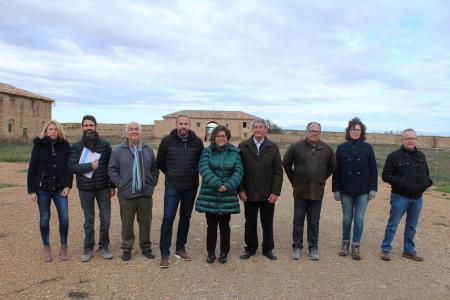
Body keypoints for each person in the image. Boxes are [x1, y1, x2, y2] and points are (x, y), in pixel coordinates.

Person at [283, 122, 336, 261]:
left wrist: (321, 179)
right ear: (307, 131)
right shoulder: (296, 147)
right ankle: (297, 246)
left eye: (317, 131)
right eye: (312, 130)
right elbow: (286, 164)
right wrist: (294, 181)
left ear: (320, 132)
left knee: (314, 221)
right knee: (298, 220)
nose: (314, 133)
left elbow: (332, 167)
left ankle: (313, 247)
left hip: (317, 191)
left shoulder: (327, 149)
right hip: (300, 190)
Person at [157, 114, 204, 268]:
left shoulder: (197, 142)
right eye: (180, 124)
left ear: (189, 126)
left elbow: (201, 162)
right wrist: (171, 173)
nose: (183, 126)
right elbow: (160, 162)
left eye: (185, 124)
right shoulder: (166, 141)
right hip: (172, 186)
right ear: (176, 125)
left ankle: (180, 248)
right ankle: (165, 253)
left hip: (190, 186)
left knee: (185, 218)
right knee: (168, 218)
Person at [108, 122, 159, 261]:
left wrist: (152, 183)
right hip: (126, 194)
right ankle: (127, 248)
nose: (134, 131)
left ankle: (146, 247)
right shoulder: (118, 150)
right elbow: (111, 169)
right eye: (131, 129)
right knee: (127, 223)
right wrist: (120, 184)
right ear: (127, 132)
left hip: (145, 193)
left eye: (136, 129)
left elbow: (155, 168)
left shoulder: (148, 149)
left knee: (145, 222)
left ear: (140, 132)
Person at [67, 115, 115, 262]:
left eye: (91, 125)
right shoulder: (76, 146)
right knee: (89, 219)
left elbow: (111, 167)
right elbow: (71, 167)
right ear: (82, 127)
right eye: (86, 125)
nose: (88, 128)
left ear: (96, 126)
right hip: (85, 189)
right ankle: (88, 248)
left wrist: (112, 185)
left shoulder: (105, 145)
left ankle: (104, 246)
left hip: (102, 188)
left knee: (105, 218)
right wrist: (89, 166)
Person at [380, 128, 433, 261]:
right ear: (402, 140)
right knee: (393, 224)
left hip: (417, 198)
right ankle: (385, 249)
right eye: (407, 138)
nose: (410, 141)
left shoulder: (421, 156)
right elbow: (385, 175)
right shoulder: (393, 156)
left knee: (412, 225)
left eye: (413, 138)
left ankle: (408, 250)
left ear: (416, 140)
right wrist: (401, 183)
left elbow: (426, 173)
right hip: (400, 197)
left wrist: (426, 183)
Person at [195, 125, 243, 264]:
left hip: (227, 194)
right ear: (214, 138)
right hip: (210, 193)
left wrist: (227, 185)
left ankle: (224, 252)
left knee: (225, 226)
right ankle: (210, 252)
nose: (220, 139)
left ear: (227, 138)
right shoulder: (207, 152)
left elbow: (238, 171)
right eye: (218, 136)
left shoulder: (235, 152)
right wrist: (217, 184)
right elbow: (204, 168)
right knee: (211, 225)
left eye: (223, 136)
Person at [332, 117, 377, 260]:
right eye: (353, 129)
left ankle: (356, 246)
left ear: (361, 132)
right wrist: (336, 189)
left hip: (363, 190)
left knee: (359, 219)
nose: (355, 132)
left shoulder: (368, 148)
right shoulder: (341, 148)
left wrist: (373, 188)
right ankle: (345, 244)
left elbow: (373, 170)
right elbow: (336, 170)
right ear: (348, 131)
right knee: (346, 219)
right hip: (345, 189)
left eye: (358, 130)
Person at [27, 120, 73, 262]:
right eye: (50, 129)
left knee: (64, 218)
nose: (53, 131)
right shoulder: (39, 146)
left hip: (60, 188)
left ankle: (63, 246)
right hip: (43, 189)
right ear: (46, 131)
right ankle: (46, 247)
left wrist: (68, 186)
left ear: (59, 131)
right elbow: (32, 168)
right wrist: (32, 190)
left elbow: (68, 168)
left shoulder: (65, 146)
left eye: (55, 129)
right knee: (44, 218)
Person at [238, 118, 283, 261]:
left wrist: (275, 192)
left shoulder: (273, 147)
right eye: (255, 127)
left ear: (265, 130)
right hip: (249, 192)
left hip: (267, 193)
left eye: (261, 127)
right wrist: (241, 189)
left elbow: (278, 172)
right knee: (250, 222)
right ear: (252, 129)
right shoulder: (243, 146)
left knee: (267, 223)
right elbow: (238, 170)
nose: (258, 129)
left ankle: (268, 249)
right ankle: (250, 248)